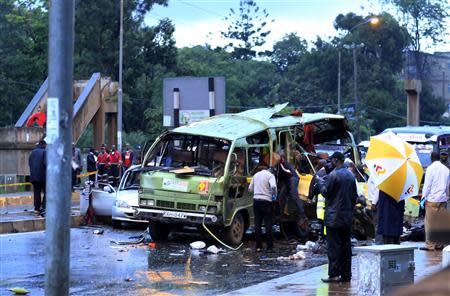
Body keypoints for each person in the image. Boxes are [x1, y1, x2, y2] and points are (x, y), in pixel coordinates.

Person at [319, 152, 358, 283]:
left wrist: (320, 184)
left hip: (333, 218)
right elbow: (354, 197)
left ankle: (334, 275)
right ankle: (346, 275)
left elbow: (326, 192)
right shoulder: (351, 176)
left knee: (334, 247)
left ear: (336, 160)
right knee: (346, 247)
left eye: (332, 161)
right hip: (346, 217)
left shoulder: (333, 175)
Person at [420, 151, 450, 251]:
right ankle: (439, 244)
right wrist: (446, 196)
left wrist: (423, 197)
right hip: (443, 199)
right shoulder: (446, 169)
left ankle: (430, 245)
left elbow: (427, 185)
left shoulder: (430, 168)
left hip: (432, 199)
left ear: (431, 158)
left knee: (430, 223)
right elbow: (447, 185)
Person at [249, 167, 277, 252]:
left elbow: (250, 189)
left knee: (257, 224)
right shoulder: (270, 175)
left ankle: (258, 246)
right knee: (268, 224)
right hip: (266, 201)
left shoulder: (255, 175)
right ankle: (269, 247)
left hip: (256, 201)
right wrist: (274, 195)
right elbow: (273, 186)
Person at [278, 153, 308, 229]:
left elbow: (288, 173)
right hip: (287, 180)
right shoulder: (280, 164)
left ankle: (302, 215)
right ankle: (282, 213)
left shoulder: (283, 163)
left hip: (293, 178)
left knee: (294, 196)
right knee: (281, 196)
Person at [29, 140, 46, 216]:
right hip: (43, 177)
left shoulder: (32, 152)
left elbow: (29, 164)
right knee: (47, 192)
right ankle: (44, 207)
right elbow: (46, 164)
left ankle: (37, 208)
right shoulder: (45, 152)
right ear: (44, 145)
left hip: (34, 177)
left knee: (36, 193)